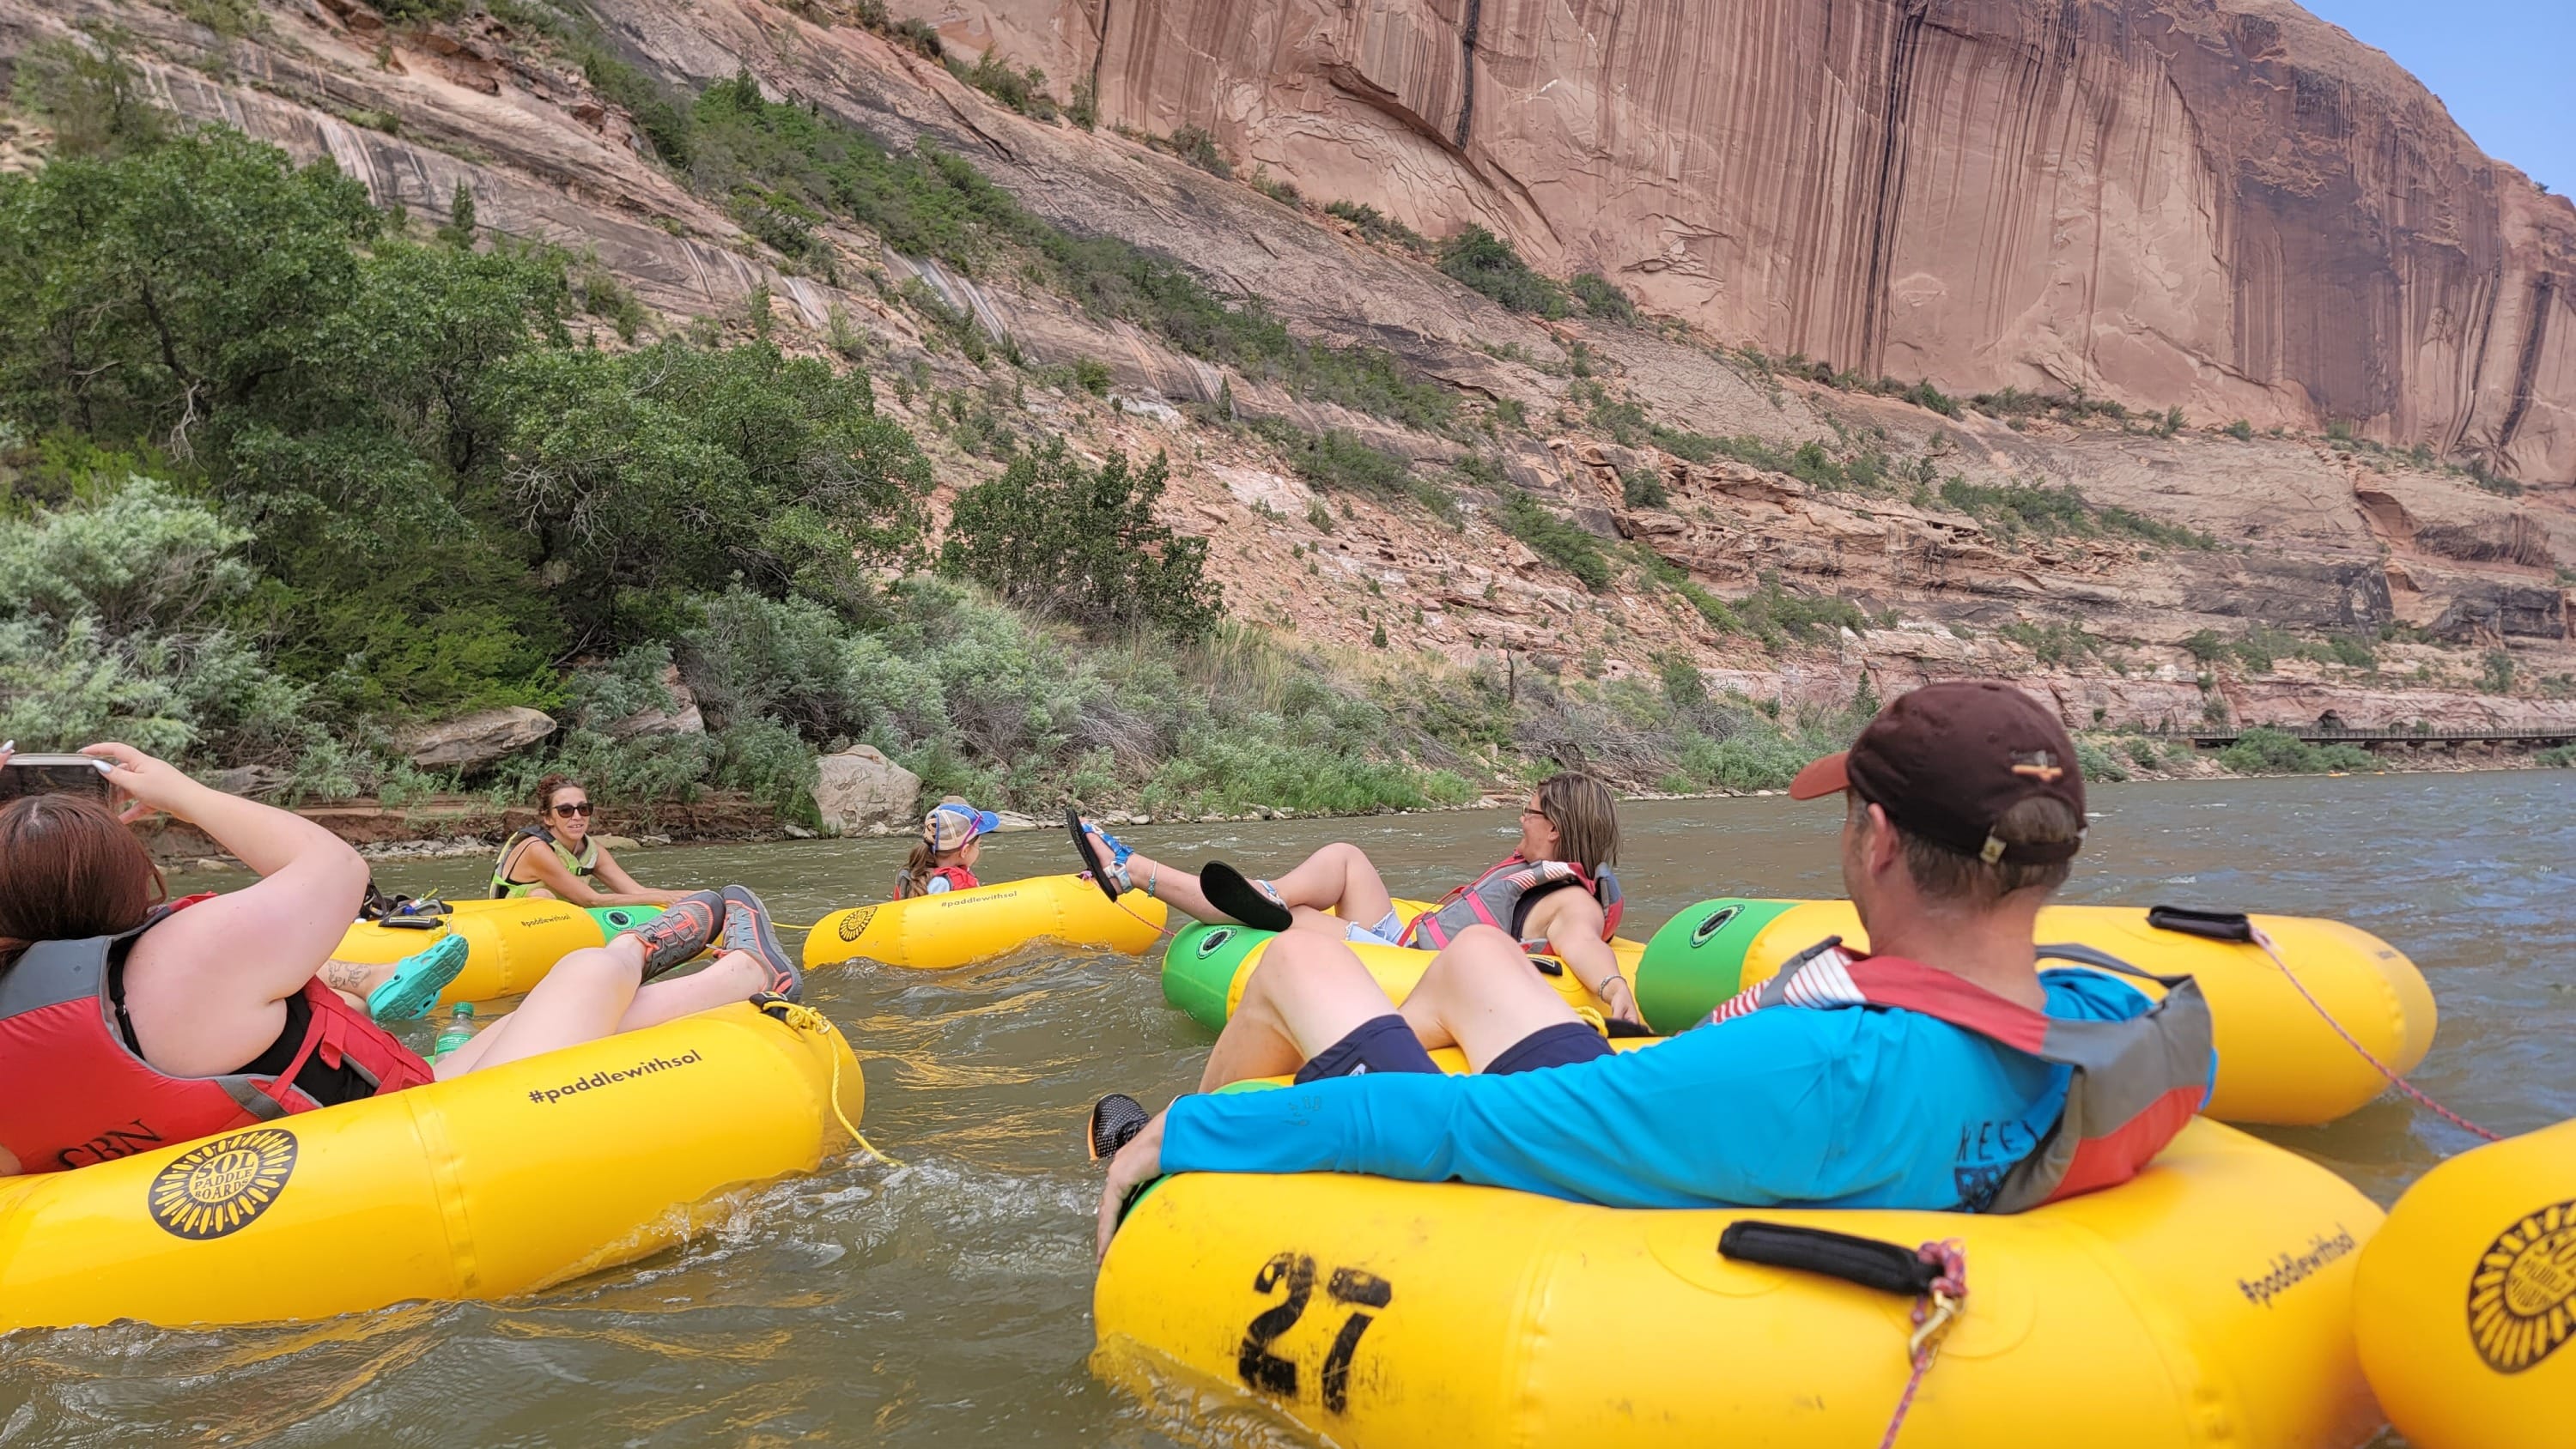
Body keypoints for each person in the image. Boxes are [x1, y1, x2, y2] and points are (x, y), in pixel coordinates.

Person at [1090, 682, 2215, 1256]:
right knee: (1481, 952)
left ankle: (1162, 1144)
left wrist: (1201, 1139)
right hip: (1721, 1106)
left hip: (1578, 1183)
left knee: (1299, 955)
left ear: (1875, 842)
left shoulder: (1816, 1067)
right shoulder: (2113, 1011)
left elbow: (1460, 1133)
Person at [0, 743, 804, 1178]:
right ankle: (741, 974)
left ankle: (714, 971)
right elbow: (338, 872)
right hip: (403, 1147)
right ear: (127, 873)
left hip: (315, 1161)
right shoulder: (182, 956)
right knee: (584, 972)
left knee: (548, 1013)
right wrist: (182, 793)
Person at [1071, 771, 1637, 1024]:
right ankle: (1263, 896)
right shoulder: (1541, 871)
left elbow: (1582, 943)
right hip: (1409, 938)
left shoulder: (1572, 899)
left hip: (1414, 965)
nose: (1522, 816)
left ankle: (1130, 870)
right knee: (1345, 856)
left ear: (1556, 829)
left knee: (1292, 924)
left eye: (1530, 810)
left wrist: (1614, 990)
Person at [490, 775, 690, 905]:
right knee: (542, 897)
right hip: (515, 921)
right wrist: (664, 898)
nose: (577, 817)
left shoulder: (594, 852)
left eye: (583, 809)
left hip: (563, 919)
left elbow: (637, 891)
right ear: (548, 817)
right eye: (566, 811)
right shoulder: (537, 850)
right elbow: (591, 900)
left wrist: (691, 897)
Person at [895, 798, 996, 898]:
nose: (979, 849)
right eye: (978, 845)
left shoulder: (918, 873)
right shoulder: (942, 885)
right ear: (964, 851)